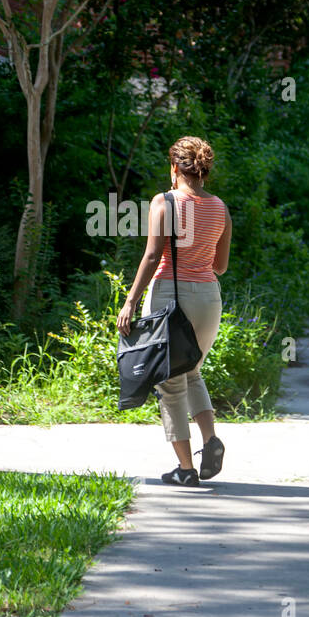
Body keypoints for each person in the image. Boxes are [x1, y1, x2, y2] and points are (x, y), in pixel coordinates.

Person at [116, 136, 232, 486]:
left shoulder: (164, 202)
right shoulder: (221, 207)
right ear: (202, 171)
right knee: (192, 371)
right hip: (209, 299)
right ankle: (210, 440)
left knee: (170, 383)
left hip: (171, 295)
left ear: (174, 168)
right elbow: (221, 266)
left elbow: (153, 256)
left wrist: (131, 300)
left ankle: (185, 469)